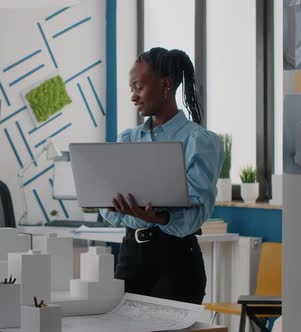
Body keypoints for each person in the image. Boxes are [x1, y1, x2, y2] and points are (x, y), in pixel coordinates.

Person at [100, 48, 224, 305]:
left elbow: (195, 214)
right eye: (131, 88)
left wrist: (158, 217)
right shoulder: (128, 139)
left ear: (165, 84)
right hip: (130, 256)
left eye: (138, 87)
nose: (133, 96)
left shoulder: (199, 141)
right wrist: (122, 207)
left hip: (176, 261)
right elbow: (109, 212)